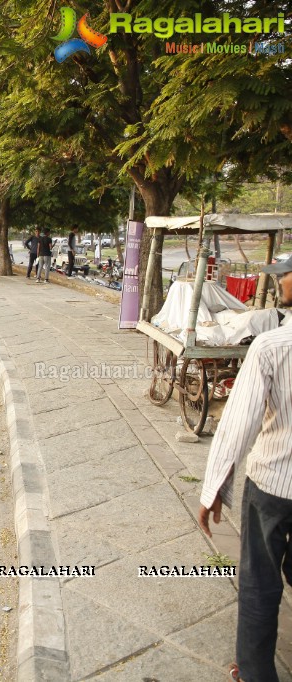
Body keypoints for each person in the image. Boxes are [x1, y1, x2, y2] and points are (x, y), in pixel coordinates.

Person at [198, 258, 292, 682]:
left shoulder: (272, 346)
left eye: (285, 275)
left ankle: (254, 674)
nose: (280, 280)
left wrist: (214, 487)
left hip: (273, 482)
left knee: (260, 581)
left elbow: (239, 424)